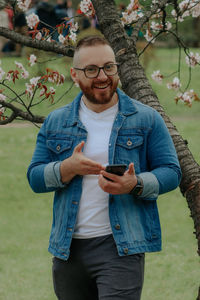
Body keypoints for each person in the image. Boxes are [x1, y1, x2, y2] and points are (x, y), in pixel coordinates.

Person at [27, 35, 182, 300]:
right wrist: (67, 168)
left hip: (121, 249)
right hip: (68, 251)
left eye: (109, 67)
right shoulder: (56, 121)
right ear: (74, 75)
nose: (102, 76)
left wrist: (136, 184)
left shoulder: (146, 118)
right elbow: (35, 177)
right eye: (91, 70)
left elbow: (171, 171)